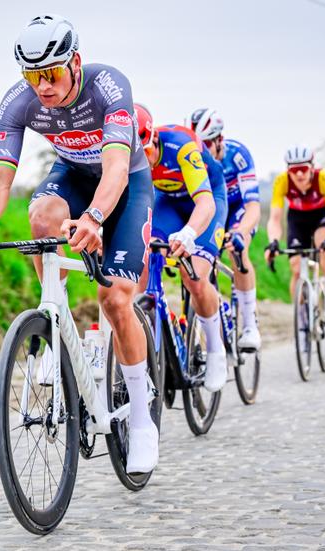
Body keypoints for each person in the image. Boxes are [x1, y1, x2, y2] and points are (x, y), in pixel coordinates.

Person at [0, 15, 158, 474]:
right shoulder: (18, 103)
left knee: (115, 298)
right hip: (73, 178)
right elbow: (0, 179)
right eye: (32, 75)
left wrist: (95, 218)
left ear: (75, 62)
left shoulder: (108, 86)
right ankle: (55, 320)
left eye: (52, 74)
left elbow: (117, 170)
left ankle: (142, 419)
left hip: (124, 185)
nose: (42, 86)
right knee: (41, 215)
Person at [134, 104, 228, 392]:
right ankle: (143, 333)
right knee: (143, 257)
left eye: (147, 153)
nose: (145, 162)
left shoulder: (182, 147)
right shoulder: (132, 157)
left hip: (206, 201)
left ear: (154, 140)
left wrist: (189, 233)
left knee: (195, 276)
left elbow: (206, 204)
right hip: (169, 203)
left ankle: (215, 349)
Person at [189, 108, 262, 350]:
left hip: (238, 210)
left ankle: (250, 323)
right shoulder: (193, 158)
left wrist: (241, 232)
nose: (203, 149)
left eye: (207, 143)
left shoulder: (238, 155)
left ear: (220, 140)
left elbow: (253, 206)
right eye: (198, 143)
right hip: (213, 210)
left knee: (236, 251)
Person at [264, 145, 325, 321]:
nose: (299, 174)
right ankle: (300, 316)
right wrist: (273, 241)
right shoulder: (281, 181)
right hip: (297, 218)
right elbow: (275, 219)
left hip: (321, 216)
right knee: (296, 268)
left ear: (312, 167)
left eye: (303, 169)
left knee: (323, 244)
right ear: (288, 171)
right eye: (294, 170)